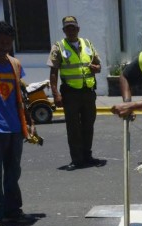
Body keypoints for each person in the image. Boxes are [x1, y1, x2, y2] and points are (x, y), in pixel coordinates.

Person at [0, 21, 35, 226]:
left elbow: (21, 95)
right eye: (1, 43)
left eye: (8, 43)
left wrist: (28, 121)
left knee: (12, 173)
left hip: (14, 128)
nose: (5, 47)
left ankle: (12, 211)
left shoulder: (15, 64)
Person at [47, 16, 104, 171]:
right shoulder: (59, 46)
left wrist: (96, 69)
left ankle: (87, 156)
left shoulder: (88, 44)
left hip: (88, 92)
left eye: (73, 27)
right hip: (70, 93)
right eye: (67, 28)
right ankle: (77, 159)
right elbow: (53, 72)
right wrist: (55, 94)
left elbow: (98, 65)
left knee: (88, 125)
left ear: (78, 29)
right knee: (73, 128)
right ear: (64, 30)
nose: (71, 30)